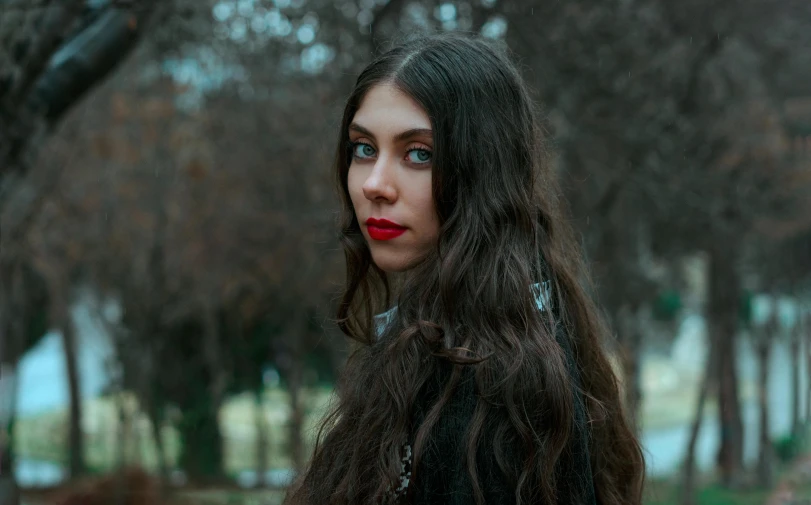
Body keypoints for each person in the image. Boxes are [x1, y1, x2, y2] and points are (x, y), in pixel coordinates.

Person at [283, 32, 645, 505]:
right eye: (364, 148)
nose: (374, 184)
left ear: (481, 171)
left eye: (419, 154)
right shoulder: (475, 331)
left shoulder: (496, 380)